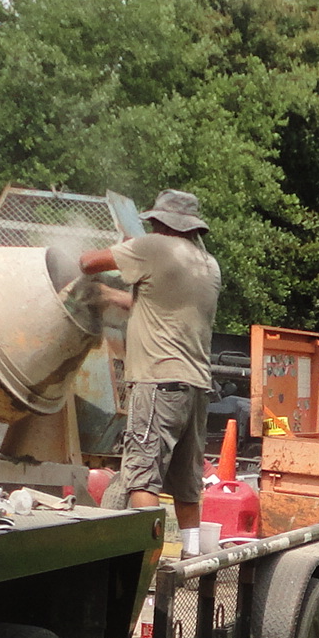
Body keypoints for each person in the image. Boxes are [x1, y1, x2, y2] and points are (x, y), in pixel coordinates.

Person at [77, 190, 223, 536]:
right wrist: (110, 296)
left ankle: (148, 554)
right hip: (195, 386)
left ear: (161, 223)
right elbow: (160, 306)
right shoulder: (207, 263)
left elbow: (87, 263)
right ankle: (191, 555)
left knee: (142, 477)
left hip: (158, 382)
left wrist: (124, 247)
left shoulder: (154, 247)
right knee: (187, 485)